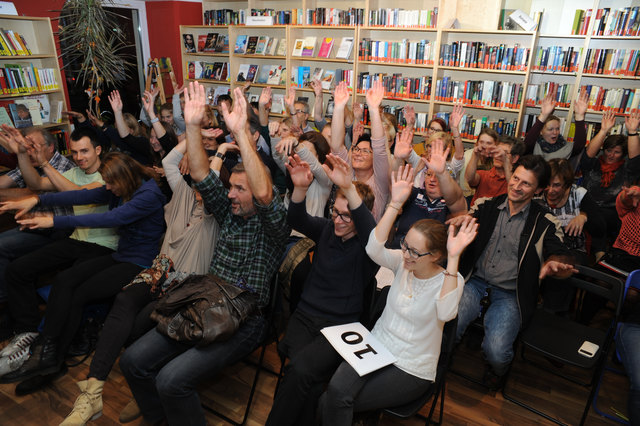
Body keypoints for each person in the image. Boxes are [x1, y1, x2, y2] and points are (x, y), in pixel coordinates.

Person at [118, 83, 289, 426]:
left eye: (241, 189)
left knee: (171, 380)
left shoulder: (273, 227)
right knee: (133, 361)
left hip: (246, 317)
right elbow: (198, 173)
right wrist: (192, 126)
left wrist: (241, 132)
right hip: (204, 301)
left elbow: (266, 193)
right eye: (231, 187)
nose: (231, 195)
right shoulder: (227, 212)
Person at [59, 138, 225, 426]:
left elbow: (209, 186)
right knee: (124, 302)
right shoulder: (181, 194)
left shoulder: (218, 214)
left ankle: (145, 386)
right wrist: (192, 137)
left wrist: (221, 151)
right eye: (199, 178)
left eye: (207, 180)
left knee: (138, 329)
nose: (201, 186)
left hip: (187, 285)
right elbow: (170, 162)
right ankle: (93, 391)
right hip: (157, 272)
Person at [319, 165, 478, 425]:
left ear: (436, 256)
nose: (406, 255)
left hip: (412, 367)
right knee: (334, 394)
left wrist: (454, 258)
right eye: (405, 246)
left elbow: (447, 312)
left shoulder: (451, 279)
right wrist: (394, 204)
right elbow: (373, 249)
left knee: (332, 401)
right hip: (376, 345)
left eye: (415, 252)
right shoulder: (402, 263)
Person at [0, 151, 165, 385]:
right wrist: (38, 200)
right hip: (122, 256)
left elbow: (111, 219)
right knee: (65, 281)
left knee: (79, 293)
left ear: (125, 177)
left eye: (110, 183)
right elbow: (80, 197)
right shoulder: (122, 187)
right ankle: (47, 356)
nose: (107, 188)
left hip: (139, 264)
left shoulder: (148, 194)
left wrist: (54, 221)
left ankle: (49, 359)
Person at [266, 153, 378, 426]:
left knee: (300, 371)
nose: (339, 220)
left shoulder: (369, 247)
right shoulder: (327, 229)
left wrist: (349, 187)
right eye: (335, 212)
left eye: (347, 216)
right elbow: (297, 218)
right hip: (305, 317)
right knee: (307, 380)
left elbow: (369, 228)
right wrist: (300, 189)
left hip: (340, 328)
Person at [0, 127, 119, 377]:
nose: (78, 157)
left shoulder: (108, 173)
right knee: (17, 270)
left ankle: (50, 349)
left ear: (98, 150)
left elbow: (80, 195)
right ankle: (26, 333)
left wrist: (44, 163)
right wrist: (22, 153)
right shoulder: (74, 172)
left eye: (84, 151)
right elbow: (35, 183)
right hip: (76, 239)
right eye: (74, 152)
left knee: (66, 284)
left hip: (104, 246)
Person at [452, 155, 576, 390]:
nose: (516, 187)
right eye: (515, 178)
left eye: (526, 183)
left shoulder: (546, 222)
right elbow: (466, 220)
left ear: (539, 189)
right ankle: (439, 362)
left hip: (511, 293)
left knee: (497, 351)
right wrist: (460, 223)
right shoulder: (486, 205)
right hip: (474, 282)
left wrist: (556, 263)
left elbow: (560, 253)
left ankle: (497, 371)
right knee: (449, 326)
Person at [0, 127, 75, 304]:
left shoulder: (63, 166)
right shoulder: (29, 162)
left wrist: (24, 195)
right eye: (27, 146)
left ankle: (5, 300)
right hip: (36, 227)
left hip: (58, 230)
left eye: (33, 146)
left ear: (50, 148)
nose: (29, 151)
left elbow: (36, 187)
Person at [389, 135, 467, 248]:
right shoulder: (414, 193)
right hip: (399, 251)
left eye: (437, 177)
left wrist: (441, 173)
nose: (432, 179)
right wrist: (398, 159)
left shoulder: (449, 203)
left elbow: (455, 199)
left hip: (430, 259)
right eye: (429, 174)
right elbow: (396, 184)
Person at [331, 80, 390, 221]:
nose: (357, 153)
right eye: (356, 149)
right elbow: (336, 147)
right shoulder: (348, 174)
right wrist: (339, 107)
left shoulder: (380, 182)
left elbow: (380, 148)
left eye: (365, 151)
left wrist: (374, 109)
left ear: (373, 157)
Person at [580, 110, 640, 243]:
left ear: (623, 154)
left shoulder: (626, 169)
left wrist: (632, 132)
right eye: (608, 150)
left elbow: (636, 161)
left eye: (617, 152)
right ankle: (599, 253)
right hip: (587, 209)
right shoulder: (594, 164)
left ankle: (600, 253)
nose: (611, 155)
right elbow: (587, 156)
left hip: (612, 213)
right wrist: (604, 130)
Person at [523, 90, 588, 161]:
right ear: (541, 131)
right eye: (550, 129)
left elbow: (579, 146)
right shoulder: (535, 145)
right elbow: (527, 144)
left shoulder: (565, 146)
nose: (555, 132)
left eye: (557, 129)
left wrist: (579, 116)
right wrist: (543, 115)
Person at [466, 133, 524, 207]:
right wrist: (475, 155)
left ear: (515, 158)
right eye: (497, 151)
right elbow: (470, 179)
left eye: (504, 153)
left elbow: (514, 187)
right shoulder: (483, 174)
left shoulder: (517, 181)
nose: (498, 155)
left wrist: (505, 161)